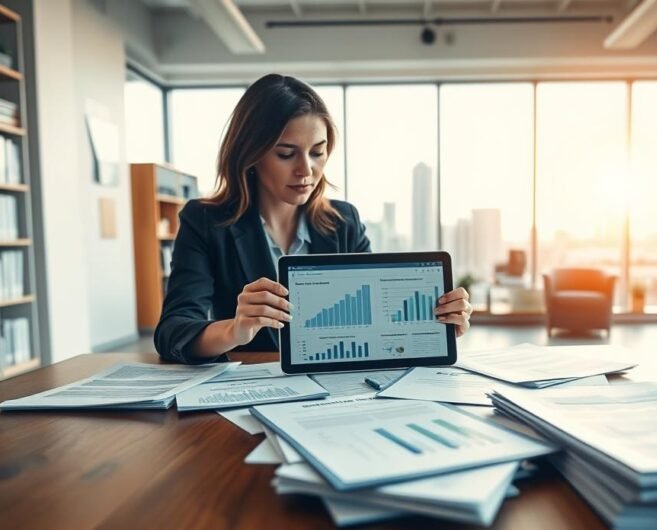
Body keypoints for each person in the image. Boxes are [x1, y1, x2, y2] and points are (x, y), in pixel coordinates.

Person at [155, 74, 472, 364]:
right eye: (286, 154)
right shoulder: (206, 222)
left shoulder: (343, 221)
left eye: (317, 152)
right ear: (250, 154)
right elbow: (173, 332)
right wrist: (235, 331)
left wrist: (437, 322)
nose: (306, 170)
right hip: (251, 391)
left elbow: (380, 319)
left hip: (337, 392)